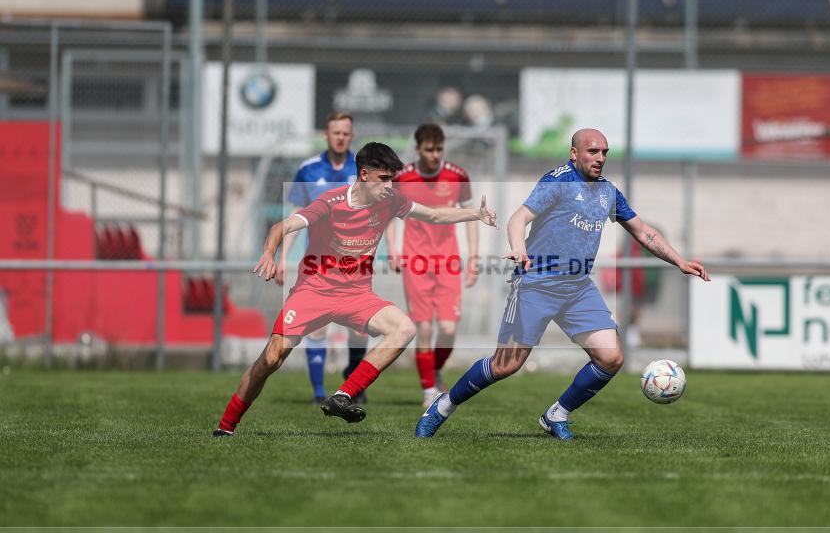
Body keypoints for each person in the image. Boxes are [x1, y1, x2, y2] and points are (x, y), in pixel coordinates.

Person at [415, 128, 709, 441]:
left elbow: (643, 231)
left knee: (611, 358)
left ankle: (557, 414)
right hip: (536, 284)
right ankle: (442, 405)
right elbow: (518, 218)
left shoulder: (608, 192)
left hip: (578, 288)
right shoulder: (558, 181)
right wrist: (519, 247)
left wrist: (679, 260)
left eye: (604, 153)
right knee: (505, 365)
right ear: (574, 153)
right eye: (593, 152)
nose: (600, 158)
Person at [214, 142, 497, 436]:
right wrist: (269, 254)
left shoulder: (390, 201)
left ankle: (342, 395)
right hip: (313, 291)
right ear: (364, 174)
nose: (390, 186)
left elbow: (434, 215)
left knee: (403, 329)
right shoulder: (331, 201)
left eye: (393, 179)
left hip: (357, 295)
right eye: (383, 179)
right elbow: (281, 228)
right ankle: (226, 426)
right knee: (271, 359)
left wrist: (476, 214)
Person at [277, 111, 369, 405]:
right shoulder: (308, 169)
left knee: (360, 325)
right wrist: (282, 257)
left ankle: (354, 379)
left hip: (355, 261)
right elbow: (295, 215)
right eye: (335, 132)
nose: (341, 137)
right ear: (326, 135)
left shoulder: (362, 169)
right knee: (317, 325)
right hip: (318, 262)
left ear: (351, 136)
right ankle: (318, 392)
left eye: (346, 133)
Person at [386, 124, 479, 407]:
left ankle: (435, 368)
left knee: (448, 329)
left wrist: (473, 256)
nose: (435, 155)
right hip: (415, 261)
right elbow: (389, 214)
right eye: (429, 149)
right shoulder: (403, 177)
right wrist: (392, 247)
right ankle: (428, 389)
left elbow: (469, 216)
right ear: (418, 149)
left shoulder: (457, 175)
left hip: (448, 260)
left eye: (439, 149)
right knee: (424, 328)